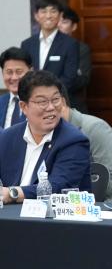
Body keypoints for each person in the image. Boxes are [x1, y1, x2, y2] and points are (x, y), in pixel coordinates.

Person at [0, 71, 91, 204]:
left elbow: (58, 187)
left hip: (54, 215)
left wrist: (13, 193)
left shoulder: (74, 141)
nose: (51, 107)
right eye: (42, 102)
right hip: (10, 214)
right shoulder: (7, 137)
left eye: (55, 99)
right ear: (24, 107)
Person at [59, 94, 112, 202]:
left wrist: (75, 200)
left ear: (62, 103)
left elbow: (109, 177)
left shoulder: (95, 128)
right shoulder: (52, 131)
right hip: (71, 199)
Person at [20, 0, 80, 112]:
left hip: (59, 104)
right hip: (32, 103)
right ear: (36, 16)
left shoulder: (70, 44)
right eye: (43, 11)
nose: (48, 16)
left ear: (60, 15)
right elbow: (25, 74)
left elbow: (69, 78)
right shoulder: (27, 44)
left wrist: (47, 97)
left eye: (53, 11)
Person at [57, 6, 92, 113]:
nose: (59, 25)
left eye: (64, 22)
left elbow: (83, 79)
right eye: (57, 21)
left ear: (74, 26)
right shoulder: (45, 48)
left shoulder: (81, 48)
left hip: (73, 102)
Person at [0, 47, 32, 128]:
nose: (14, 77)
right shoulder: (1, 102)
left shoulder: (40, 102)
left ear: (30, 72)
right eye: (9, 72)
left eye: (19, 72)